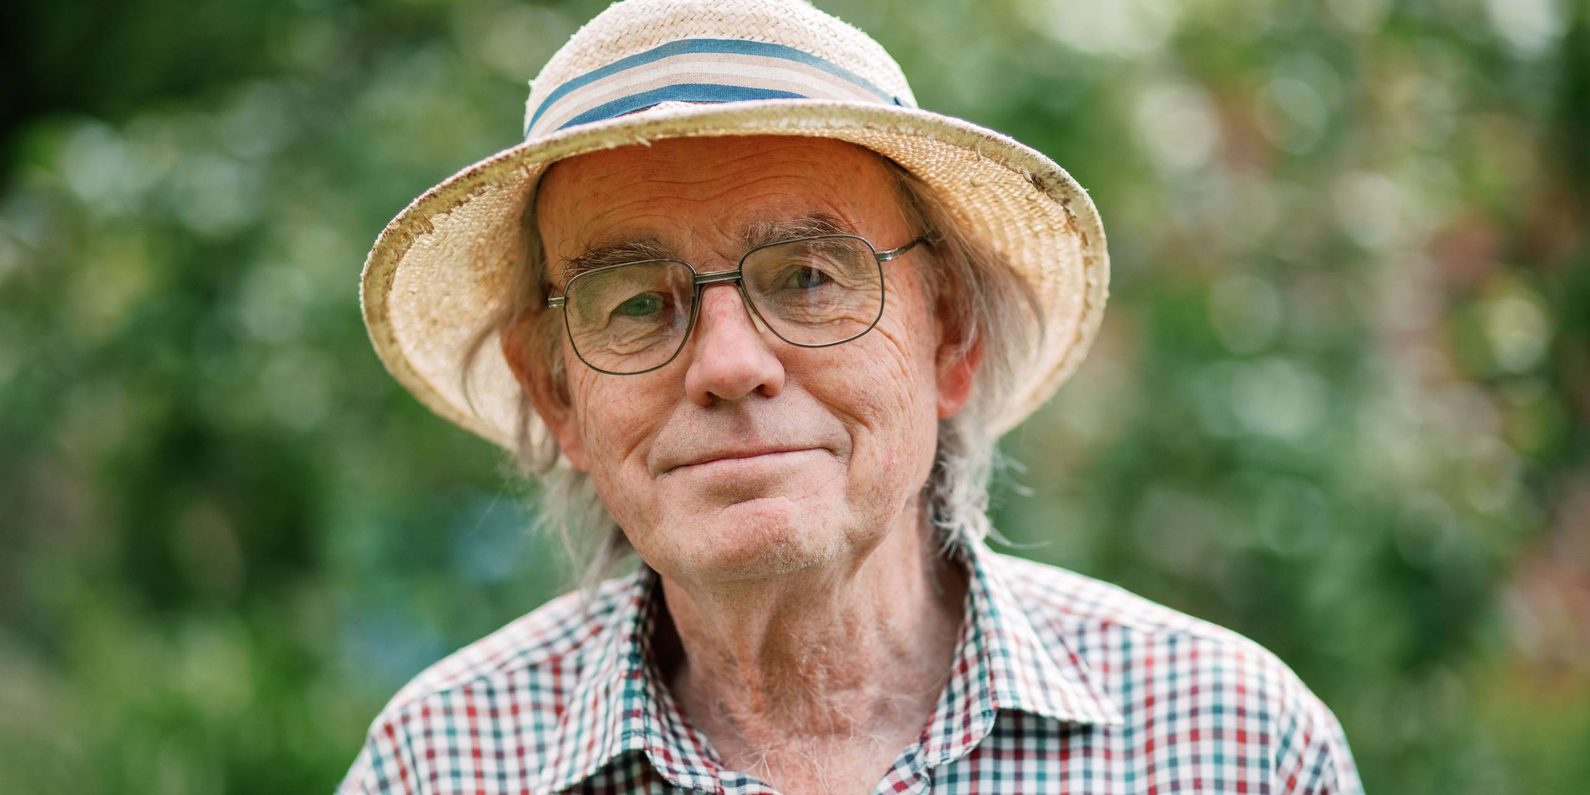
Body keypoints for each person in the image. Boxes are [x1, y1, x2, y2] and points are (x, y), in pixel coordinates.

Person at [341, 0, 1363, 792]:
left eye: (810, 277)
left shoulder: (1228, 745)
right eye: (637, 305)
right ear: (557, 397)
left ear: (948, 335)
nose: (727, 364)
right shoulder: (440, 764)